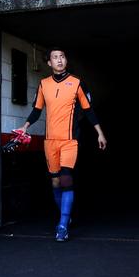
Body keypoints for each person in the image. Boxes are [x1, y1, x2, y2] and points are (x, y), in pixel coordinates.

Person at [17, 47, 107, 242]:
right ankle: (65, 215)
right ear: (49, 63)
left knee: (66, 179)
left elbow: (89, 110)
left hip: (70, 140)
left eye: (62, 56)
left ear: (66, 60)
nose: (59, 60)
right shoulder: (43, 85)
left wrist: (100, 133)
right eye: (55, 57)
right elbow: (36, 111)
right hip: (50, 142)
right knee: (56, 182)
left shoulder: (77, 83)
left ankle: (63, 225)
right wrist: (25, 127)